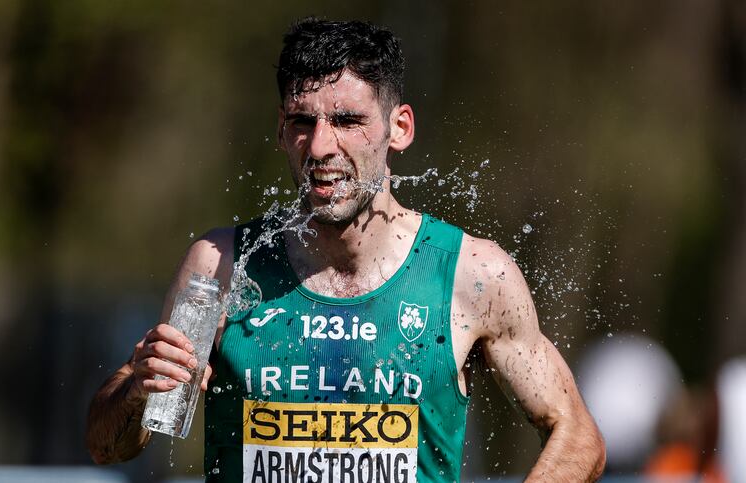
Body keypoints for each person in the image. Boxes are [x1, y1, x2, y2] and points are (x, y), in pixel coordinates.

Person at [86, 18, 606, 482]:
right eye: (302, 122)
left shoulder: (473, 274)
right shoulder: (221, 265)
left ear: (398, 128)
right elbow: (109, 447)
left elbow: (577, 436)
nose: (320, 147)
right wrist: (136, 390)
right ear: (281, 132)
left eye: (348, 121)